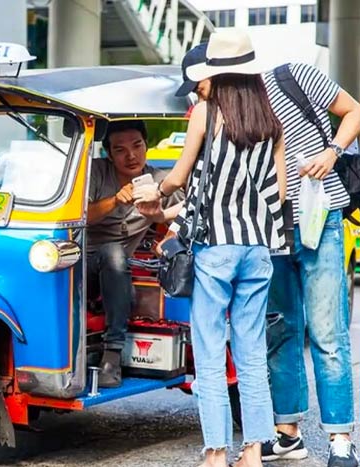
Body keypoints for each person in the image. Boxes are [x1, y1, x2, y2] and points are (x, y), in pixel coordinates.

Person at [134, 30, 287, 467]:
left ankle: (217, 453)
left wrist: (155, 194)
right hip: (258, 248)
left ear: (216, 72)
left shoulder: (205, 112)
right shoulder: (272, 118)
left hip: (215, 248)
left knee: (209, 352)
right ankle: (255, 452)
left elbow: (179, 177)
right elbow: (278, 192)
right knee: (252, 353)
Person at [259, 53, 360, 466]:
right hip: (267, 230)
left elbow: (354, 110)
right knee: (281, 332)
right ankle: (288, 434)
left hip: (322, 219)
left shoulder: (292, 76)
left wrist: (333, 151)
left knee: (328, 332)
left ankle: (340, 439)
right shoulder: (225, 110)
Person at [87, 119, 184, 387]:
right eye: (120, 149)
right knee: (112, 254)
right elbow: (81, 216)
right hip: (83, 264)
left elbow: (192, 207)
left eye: (137, 146)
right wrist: (115, 200)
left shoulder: (159, 182)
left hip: (118, 267)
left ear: (146, 147)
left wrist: (168, 234)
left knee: (116, 257)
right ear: (108, 153)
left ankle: (112, 355)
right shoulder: (96, 172)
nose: (131, 155)